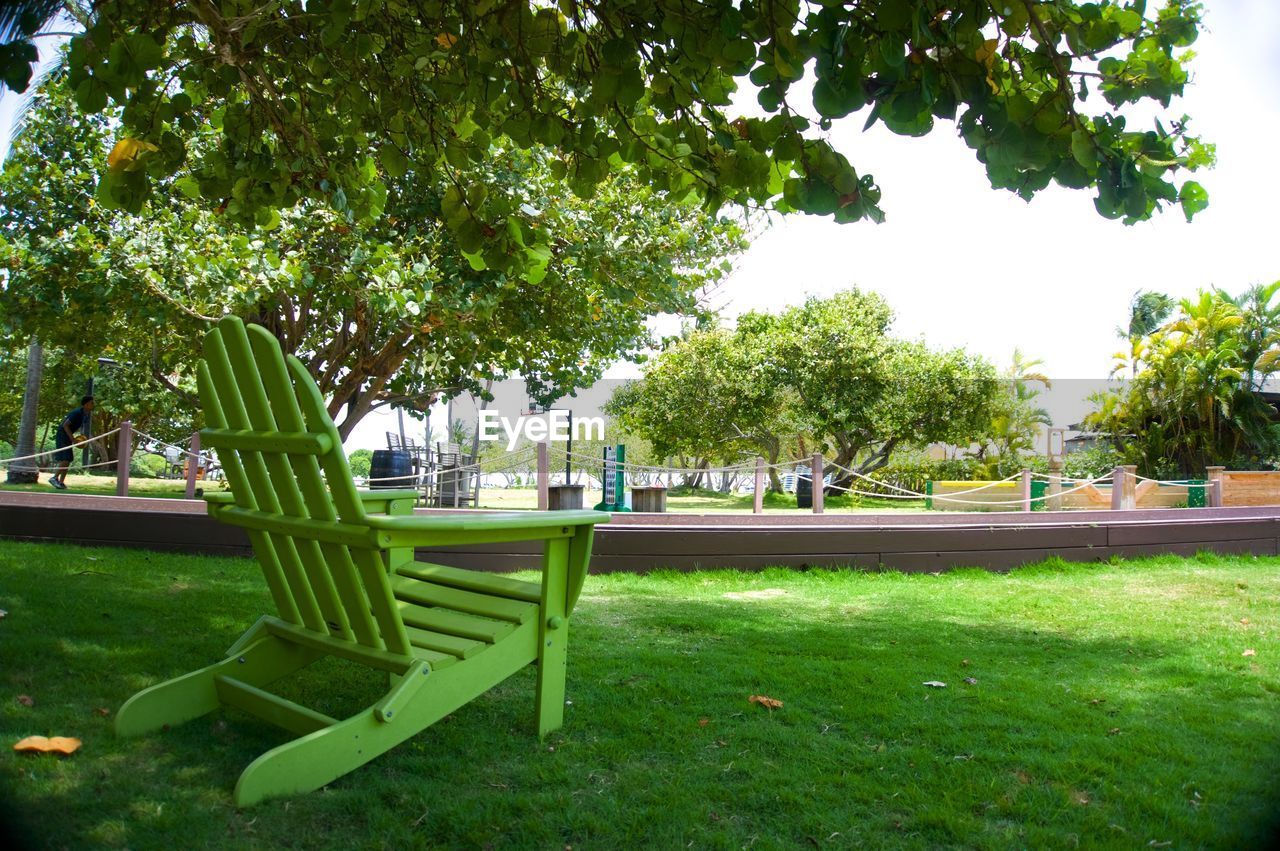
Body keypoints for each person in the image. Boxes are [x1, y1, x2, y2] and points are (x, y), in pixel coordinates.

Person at [49, 395, 94, 490]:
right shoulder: (77, 413)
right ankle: (54, 478)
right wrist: (73, 439)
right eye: (91, 403)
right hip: (62, 435)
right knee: (65, 459)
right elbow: (65, 425)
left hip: (68, 435)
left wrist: (82, 438)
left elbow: (81, 427)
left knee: (68, 459)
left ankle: (61, 483)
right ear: (86, 404)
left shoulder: (85, 414)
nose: (93, 405)